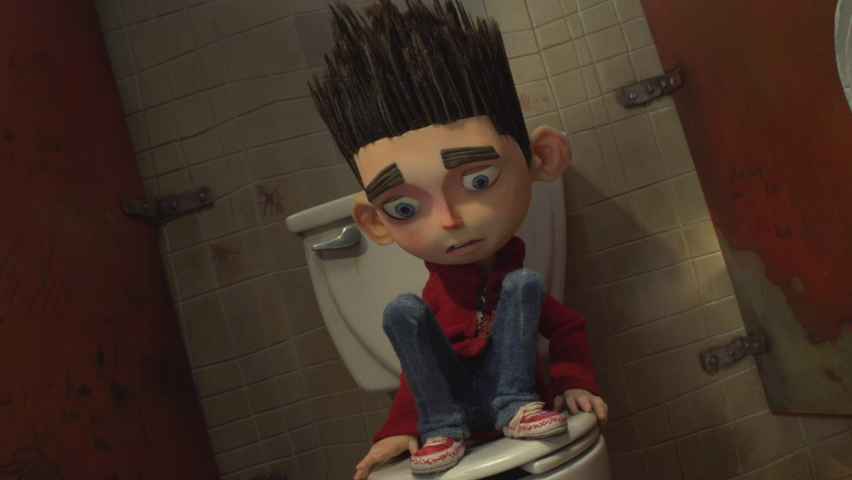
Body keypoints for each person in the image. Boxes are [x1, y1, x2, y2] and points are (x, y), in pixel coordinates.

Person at [309, 1, 608, 478]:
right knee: (401, 313)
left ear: (543, 158)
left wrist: (572, 379)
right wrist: (396, 429)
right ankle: (441, 427)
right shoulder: (433, 301)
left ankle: (517, 404)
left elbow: (567, 327)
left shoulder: (520, 286)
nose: (450, 220)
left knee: (525, 284)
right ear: (375, 222)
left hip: (524, 400)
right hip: (451, 417)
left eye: (478, 181)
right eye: (404, 208)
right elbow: (417, 364)